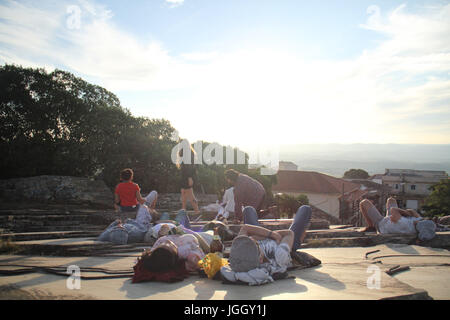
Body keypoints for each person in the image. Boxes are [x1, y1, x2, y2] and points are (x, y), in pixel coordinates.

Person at [220, 205, 320, 285]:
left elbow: (246, 228)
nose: (253, 241)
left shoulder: (241, 247)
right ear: (259, 259)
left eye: (251, 241)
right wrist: (271, 235)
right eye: (256, 245)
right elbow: (288, 234)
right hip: (286, 241)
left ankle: (264, 234)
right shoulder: (279, 256)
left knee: (248, 209)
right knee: (305, 209)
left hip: (271, 236)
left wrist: (269, 235)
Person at [359, 197, 436, 241]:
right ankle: (373, 226)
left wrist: (406, 213)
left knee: (364, 202)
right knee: (391, 200)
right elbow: (413, 212)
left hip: (381, 224)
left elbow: (393, 210)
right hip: (391, 221)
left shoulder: (405, 224)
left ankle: (371, 227)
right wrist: (408, 213)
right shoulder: (416, 225)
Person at [177, 146, 200, 214]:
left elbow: (189, 169)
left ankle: (197, 211)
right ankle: (183, 211)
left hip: (187, 178)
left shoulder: (188, 157)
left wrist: (190, 178)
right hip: (185, 178)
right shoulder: (186, 156)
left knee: (190, 195)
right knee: (184, 195)